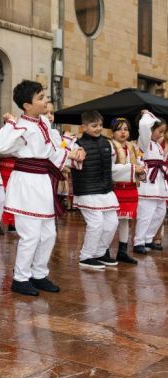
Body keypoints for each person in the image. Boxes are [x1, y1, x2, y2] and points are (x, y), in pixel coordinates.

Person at [0, 80, 85, 296]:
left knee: (48, 233)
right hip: (26, 183)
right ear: (27, 105)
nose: (46, 101)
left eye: (45, 96)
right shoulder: (21, 125)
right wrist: (12, 124)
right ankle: (20, 278)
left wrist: (74, 154)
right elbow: (0, 146)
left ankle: (39, 273)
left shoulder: (44, 122)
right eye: (41, 98)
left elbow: (53, 151)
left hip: (42, 181)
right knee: (30, 234)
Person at [68, 111, 120, 270]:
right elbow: (72, 164)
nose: (98, 128)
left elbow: (112, 166)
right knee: (96, 223)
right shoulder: (77, 144)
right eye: (93, 125)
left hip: (105, 190)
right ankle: (86, 256)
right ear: (84, 127)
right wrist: (76, 158)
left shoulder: (107, 143)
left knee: (112, 222)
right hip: (87, 190)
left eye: (100, 125)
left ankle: (100, 252)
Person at [133, 110, 167, 254]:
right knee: (146, 213)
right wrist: (147, 115)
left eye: (163, 132)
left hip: (159, 183)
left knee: (160, 212)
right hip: (148, 183)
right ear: (151, 130)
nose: (161, 135)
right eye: (159, 131)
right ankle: (138, 241)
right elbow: (144, 126)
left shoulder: (158, 145)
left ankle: (148, 238)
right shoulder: (144, 141)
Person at [110, 118, 144, 263]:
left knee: (125, 220)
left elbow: (140, 162)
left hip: (130, 188)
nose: (123, 132)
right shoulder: (110, 146)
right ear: (113, 132)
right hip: (116, 188)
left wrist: (141, 169)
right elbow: (110, 169)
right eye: (119, 129)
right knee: (112, 221)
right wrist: (131, 169)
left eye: (126, 129)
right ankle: (104, 250)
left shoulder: (133, 147)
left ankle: (122, 251)